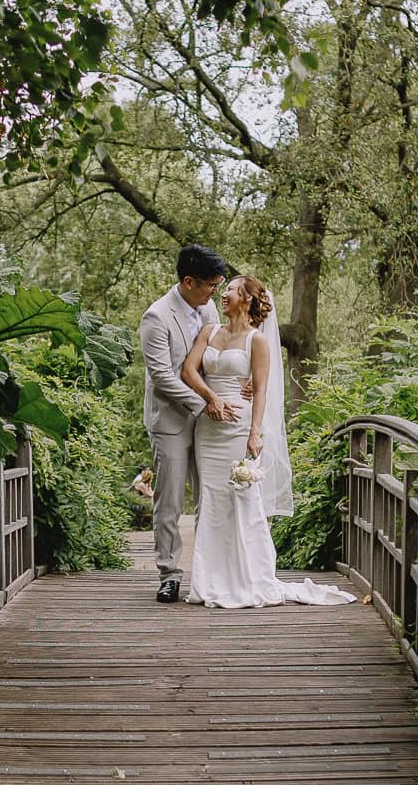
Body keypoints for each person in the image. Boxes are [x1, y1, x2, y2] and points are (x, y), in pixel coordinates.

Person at [177, 276, 356, 609]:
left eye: (230, 289)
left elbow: (260, 389)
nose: (224, 294)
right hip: (209, 426)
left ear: (246, 299)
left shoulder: (257, 341)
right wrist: (211, 398)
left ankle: (248, 578)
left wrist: (255, 431)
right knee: (211, 501)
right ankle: (209, 581)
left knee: (242, 501)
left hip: (239, 426)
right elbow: (189, 370)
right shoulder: (209, 332)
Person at [139, 244, 230, 602]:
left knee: (211, 495)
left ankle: (212, 573)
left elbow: (216, 354)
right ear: (189, 281)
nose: (215, 293)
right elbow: (162, 376)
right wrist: (205, 401)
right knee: (171, 502)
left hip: (211, 420)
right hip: (172, 421)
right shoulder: (156, 317)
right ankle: (170, 573)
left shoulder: (207, 308)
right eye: (210, 285)